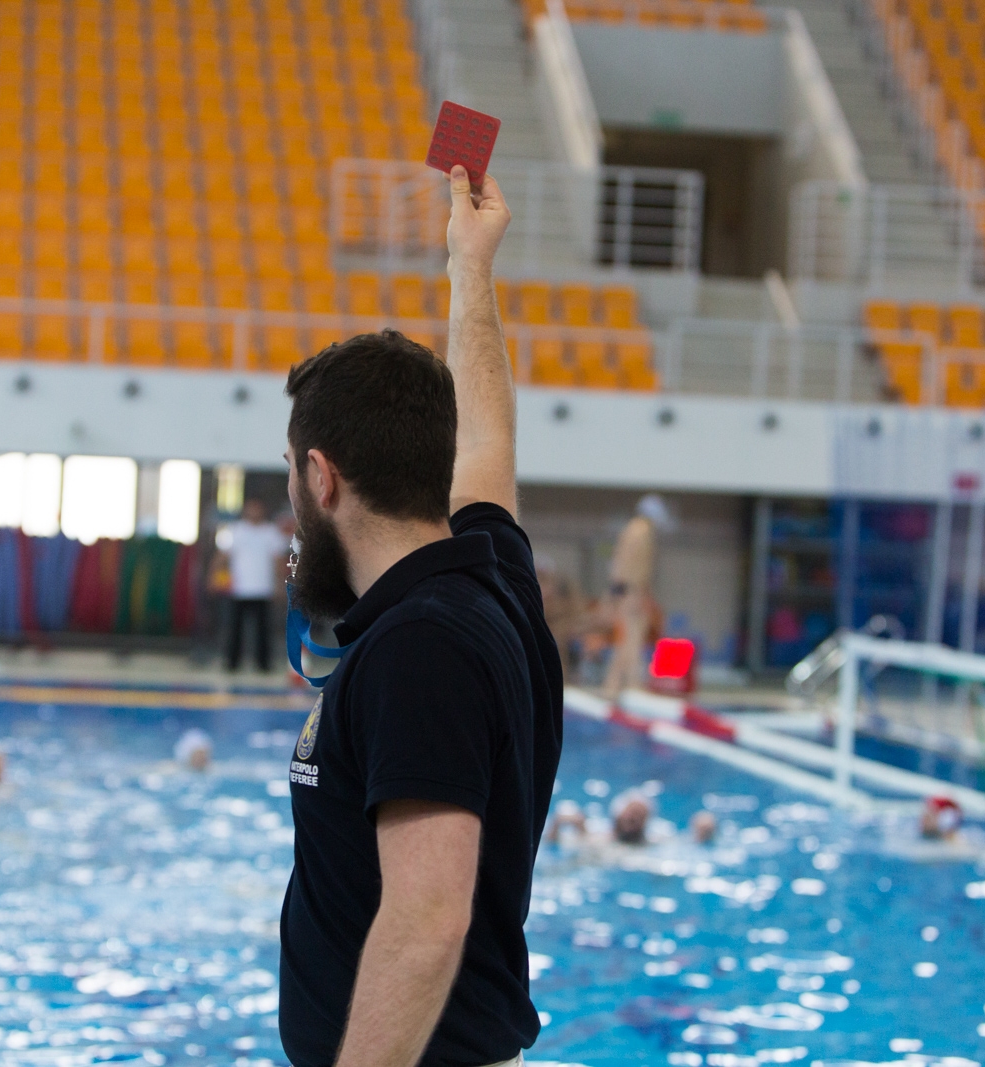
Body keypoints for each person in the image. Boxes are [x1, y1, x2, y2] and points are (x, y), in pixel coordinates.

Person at [277, 166, 562, 1067]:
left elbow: (428, 918)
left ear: (321, 477)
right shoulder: (489, 574)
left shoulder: (419, 647)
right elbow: (488, 439)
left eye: (291, 477)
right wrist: (469, 267)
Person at [600, 494, 672, 699]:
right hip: (631, 591)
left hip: (632, 591)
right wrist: (625, 592)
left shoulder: (636, 530)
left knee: (628, 639)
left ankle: (614, 684)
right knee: (631, 639)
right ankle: (630, 684)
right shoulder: (640, 532)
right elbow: (625, 564)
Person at [217, 499, 288, 672]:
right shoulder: (236, 531)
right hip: (239, 589)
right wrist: (216, 578)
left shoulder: (271, 532)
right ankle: (232, 662)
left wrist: (279, 585)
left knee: (263, 629)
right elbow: (223, 556)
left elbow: (278, 561)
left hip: (263, 589)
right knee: (235, 628)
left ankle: (263, 663)